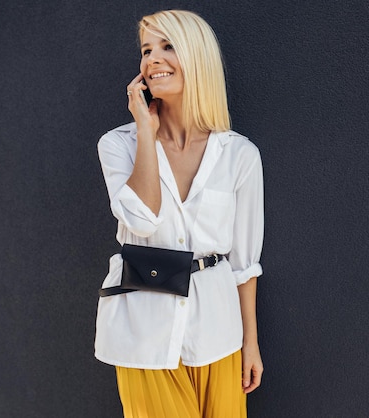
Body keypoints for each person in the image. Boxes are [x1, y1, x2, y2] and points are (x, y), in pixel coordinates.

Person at [94, 10, 264, 417]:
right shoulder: (118, 145)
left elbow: (243, 262)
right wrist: (145, 133)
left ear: (197, 56)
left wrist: (250, 342)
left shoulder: (239, 155)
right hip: (143, 334)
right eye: (146, 49)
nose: (153, 58)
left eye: (167, 46)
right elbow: (142, 217)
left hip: (219, 332)